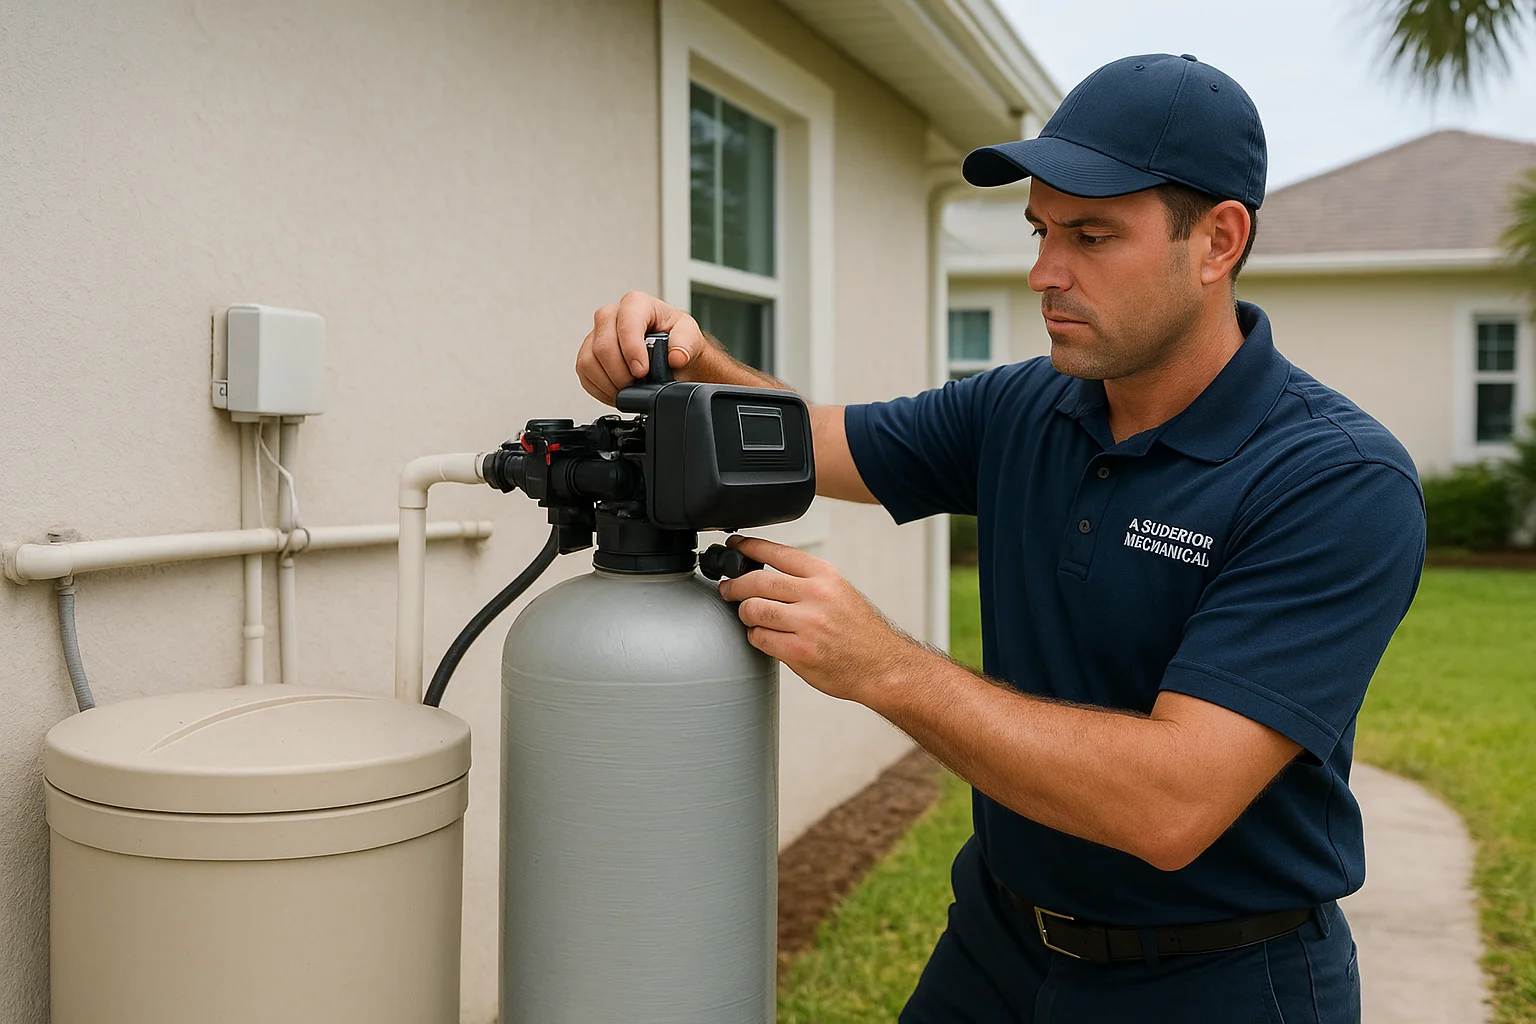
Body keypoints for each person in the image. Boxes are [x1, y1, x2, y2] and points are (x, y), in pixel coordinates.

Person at [576, 53, 1424, 1024]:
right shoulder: (1025, 407)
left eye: (1092, 236)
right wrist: (689, 360)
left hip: (1216, 978)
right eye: (1041, 230)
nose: (1043, 273)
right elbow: (804, 442)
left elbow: (1172, 805)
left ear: (1218, 240)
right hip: (998, 948)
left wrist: (883, 664)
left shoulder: (1334, 479)